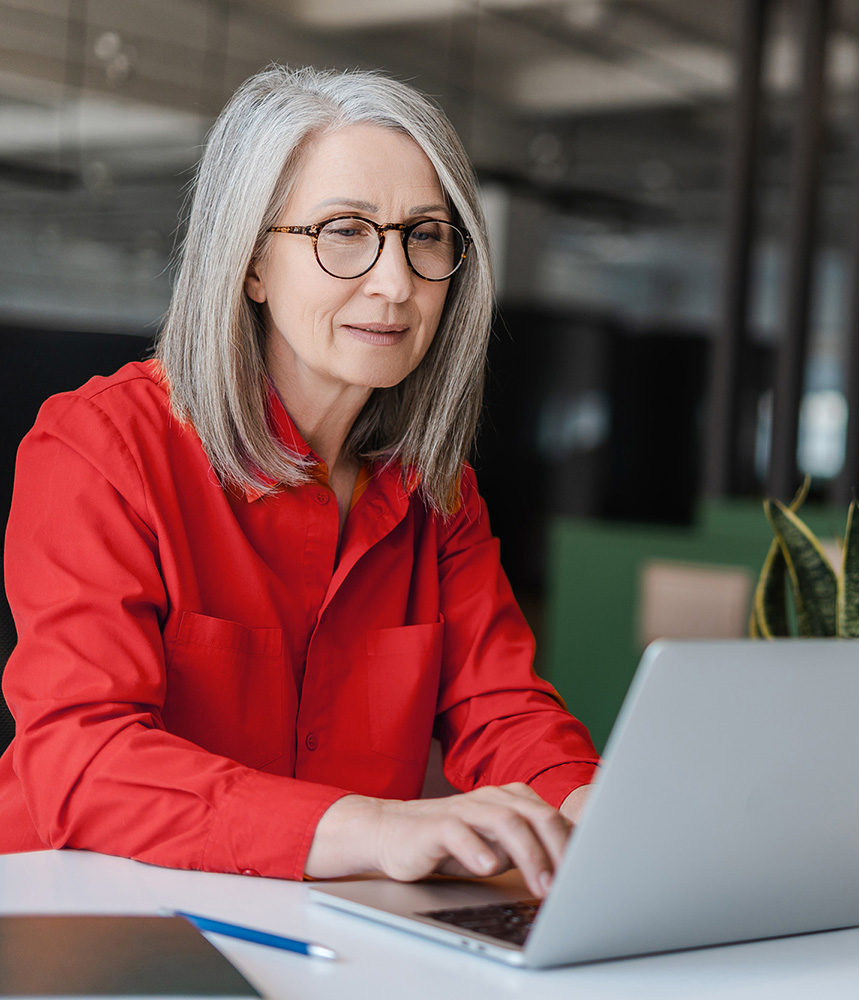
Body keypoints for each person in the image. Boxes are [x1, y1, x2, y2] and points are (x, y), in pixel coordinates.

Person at [0, 66, 600, 894]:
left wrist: (594, 808)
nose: (395, 283)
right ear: (250, 262)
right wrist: (373, 825)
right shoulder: (102, 448)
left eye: (425, 234)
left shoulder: (438, 494)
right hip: (90, 924)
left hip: (320, 934)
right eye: (344, 230)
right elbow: (81, 755)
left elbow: (505, 712)